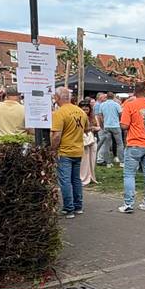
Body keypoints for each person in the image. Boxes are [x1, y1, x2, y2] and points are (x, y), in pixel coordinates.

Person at [118, 83, 145, 213]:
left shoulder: (130, 105)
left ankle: (129, 204)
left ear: (134, 91)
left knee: (129, 174)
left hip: (134, 144)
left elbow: (124, 126)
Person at [50, 87, 89, 218]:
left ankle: (69, 208)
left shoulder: (59, 113)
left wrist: (52, 149)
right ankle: (78, 206)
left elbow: (56, 136)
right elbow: (86, 128)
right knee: (76, 179)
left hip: (65, 151)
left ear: (57, 98)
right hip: (78, 150)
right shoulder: (81, 112)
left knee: (65, 181)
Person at [94, 93, 124, 167]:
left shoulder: (102, 105)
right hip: (116, 126)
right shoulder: (116, 104)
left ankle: (108, 163)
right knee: (119, 144)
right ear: (113, 97)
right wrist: (118, 119)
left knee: (106, 145)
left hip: (106, 126)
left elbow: (100, 115)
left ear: (106, 97)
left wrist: (104, 121)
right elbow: (121, 114)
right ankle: (122, 162)